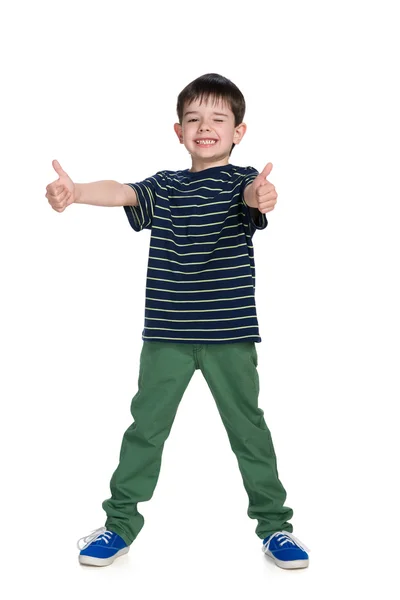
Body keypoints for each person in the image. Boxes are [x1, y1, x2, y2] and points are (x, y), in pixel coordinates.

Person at [45, 73, 310, 570]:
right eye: (194, 119)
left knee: (248, 430)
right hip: (166, 337)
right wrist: (74, 189)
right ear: (178, 130)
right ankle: (119, 525)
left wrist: (263, 195)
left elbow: (256, 197)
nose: (205, 127)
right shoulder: (165, 187)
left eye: (218, 119)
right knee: (145, 429)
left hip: (229, 338)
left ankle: (276, 528)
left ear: (239, 131)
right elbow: (122, 191)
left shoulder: (241, 182)